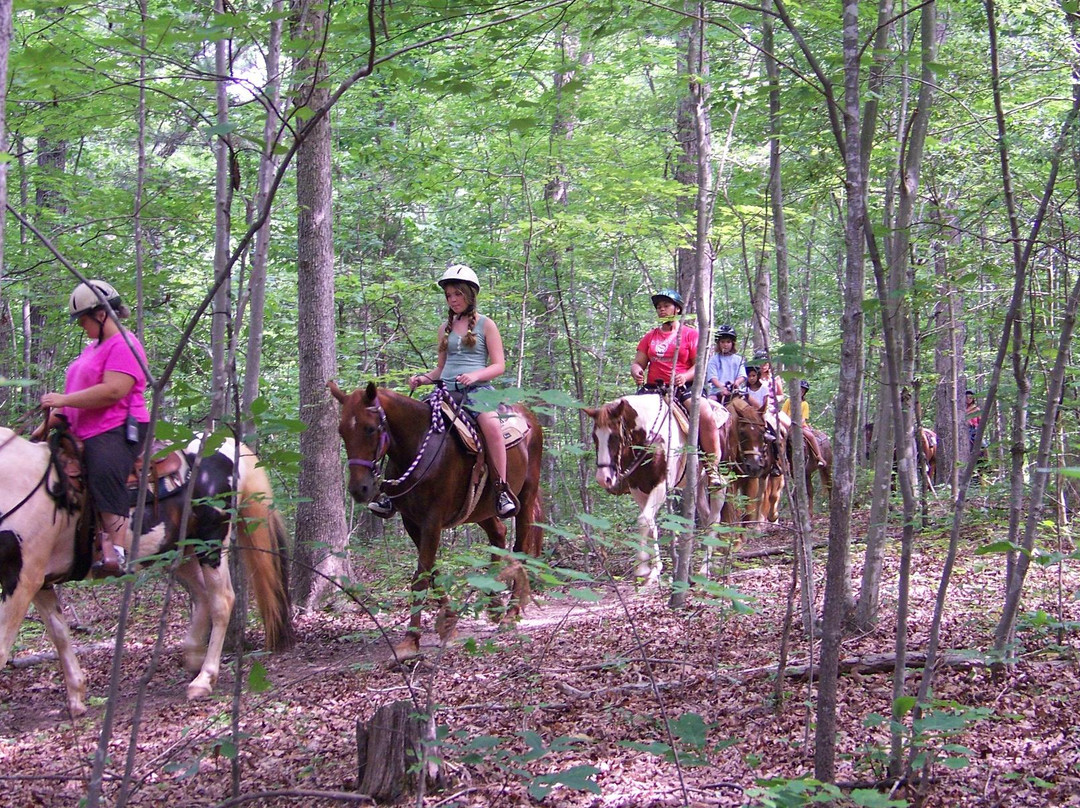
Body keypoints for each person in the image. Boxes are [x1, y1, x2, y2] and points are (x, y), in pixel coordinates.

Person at [369, 264, 517, 519]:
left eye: (457, 294)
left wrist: (475, 375)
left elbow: (499, 365)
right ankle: (392, 494)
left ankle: (501, 489)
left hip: (478, 392)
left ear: (470, 294)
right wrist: (422, 379)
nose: (453, 300)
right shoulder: (445, 328)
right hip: (445, 393)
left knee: (492, 428)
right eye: (449, 295)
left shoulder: (486, 325)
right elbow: (440, 369)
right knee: (407, 429)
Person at [39, 280, 151, 576]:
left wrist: (62, 399)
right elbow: (77, 392)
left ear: (101, 315)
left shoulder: (126, 344)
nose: (80, 327)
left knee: (103, 469)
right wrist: (49, 422)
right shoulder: (93, 348)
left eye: (83, 320)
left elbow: (114, 390)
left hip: (115, 428)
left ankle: (117, 549)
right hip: (81, 429)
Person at [629, 289, 723, 489]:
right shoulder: (650, 337)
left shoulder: (690, 334)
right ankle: (625, 467)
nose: (662, 310)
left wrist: (685, 376)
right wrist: (636, 371)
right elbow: (638, 362)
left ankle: (712, 467)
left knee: (705, 413)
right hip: (653, 389)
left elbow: (699, 364)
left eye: (666, 306)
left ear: (677, 309)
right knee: (625, 413)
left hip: (682, 388)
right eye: (659, 307)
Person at [782, 379, 826, 469]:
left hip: (800, 426)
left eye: (803, 390)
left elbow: (803, 418)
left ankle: (819, 456)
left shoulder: (805, 404)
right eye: (800, 389)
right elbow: (783, 414)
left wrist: (797, 425)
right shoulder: (788, 401)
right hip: (787, 425)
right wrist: (787, 423)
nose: (801, 391)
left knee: (811, 436)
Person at [705, 324, 746, 402]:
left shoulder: (738, 359)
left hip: (734, 391)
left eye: (728, 342)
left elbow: (742, 375)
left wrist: (736, 383)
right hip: (717, 392)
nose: (725, 345)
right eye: (722, 342)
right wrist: (721, 388)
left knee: (750, 406)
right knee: (710, 405)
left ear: (732, 343)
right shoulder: (714, 360)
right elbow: (713, 378)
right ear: (718, 343)